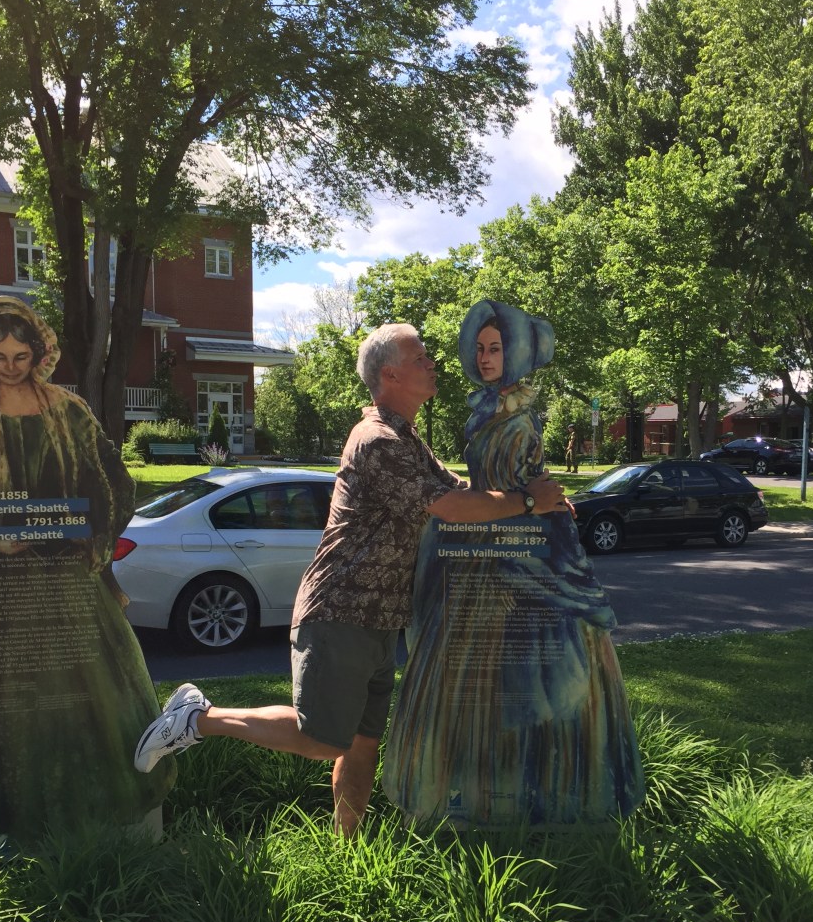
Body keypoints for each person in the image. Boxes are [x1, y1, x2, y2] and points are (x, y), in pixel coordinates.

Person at [134, 323, 567, 835]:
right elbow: (451, 507)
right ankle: (197, 717)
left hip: (380, 619)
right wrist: (526, 501)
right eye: (420, 357)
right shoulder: (378, 440)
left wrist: (540, 500)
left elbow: (464, 490)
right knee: (322, 740)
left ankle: (348, 847)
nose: (432, 363)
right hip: (342, 612)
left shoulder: (406, 437)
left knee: (362, 745)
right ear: (390, 374)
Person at [381, 299, 644, 828]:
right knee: (477, 674)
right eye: (479, 348)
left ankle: (523, 791)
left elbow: (516, 484)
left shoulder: (518, 418)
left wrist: (542, 503)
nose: (485, 358)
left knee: (514, 670)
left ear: (515, 353)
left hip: (508, 547)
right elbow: (491, 486)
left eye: (496, 349)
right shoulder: (488, 408)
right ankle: (481, 794)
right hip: (488, 542)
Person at [0, 296, 175, 853]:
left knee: (88, 697)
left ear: (38, 353)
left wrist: (91, 544)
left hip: (64, 580)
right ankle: (4, 823)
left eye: (20, 356)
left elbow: (114, 482)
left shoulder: (68, 410)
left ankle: (99, 819)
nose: (11, 367)